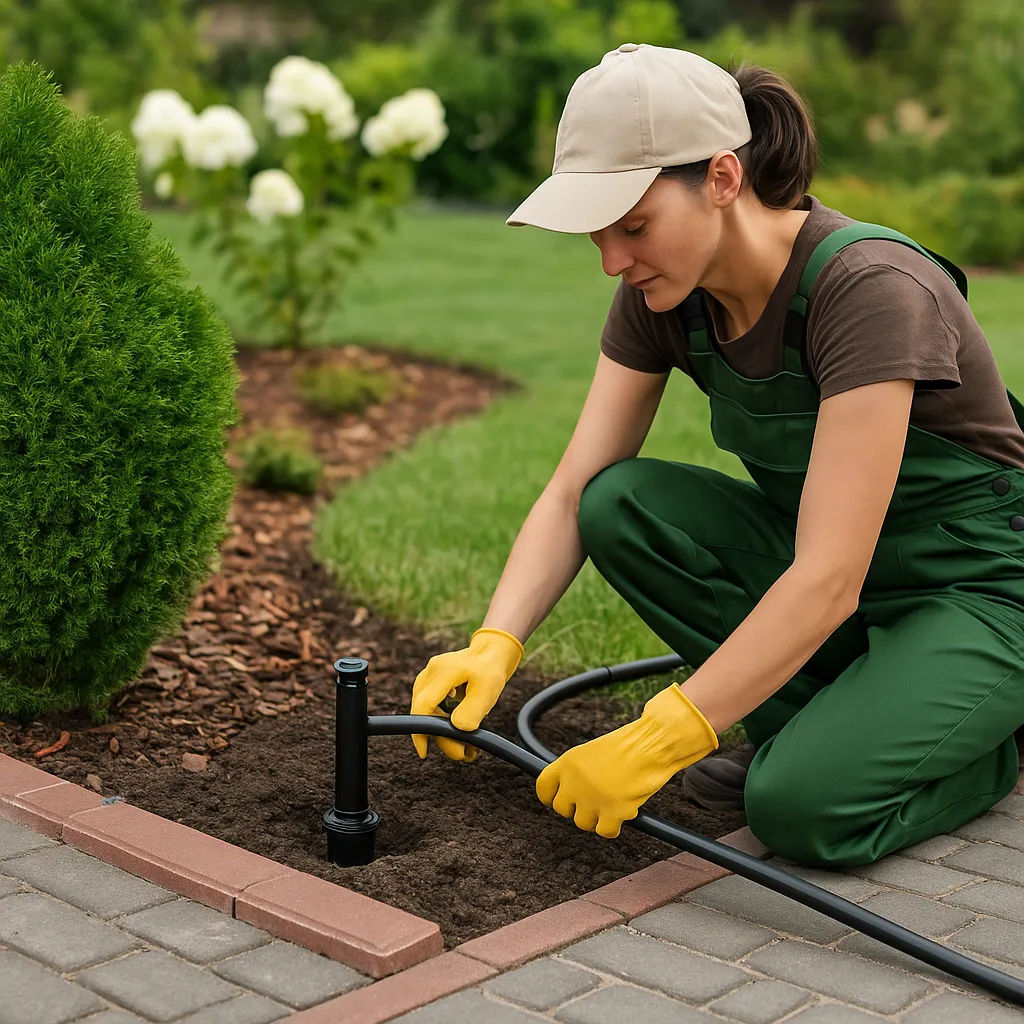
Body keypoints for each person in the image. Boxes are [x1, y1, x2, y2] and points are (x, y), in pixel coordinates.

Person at [409, 43, 1024, 868]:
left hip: (981, 590)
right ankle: (836, 723)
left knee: (799, 809)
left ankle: (982, 751)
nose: (612, 260)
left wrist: (661, 737)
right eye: (598, 233)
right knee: (618, 502)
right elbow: (572, 491)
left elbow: (828, 577)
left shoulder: (870, 289)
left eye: (634, 226)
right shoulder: (666, 292)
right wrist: (495, 640)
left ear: (725, 180)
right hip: (843, 574)